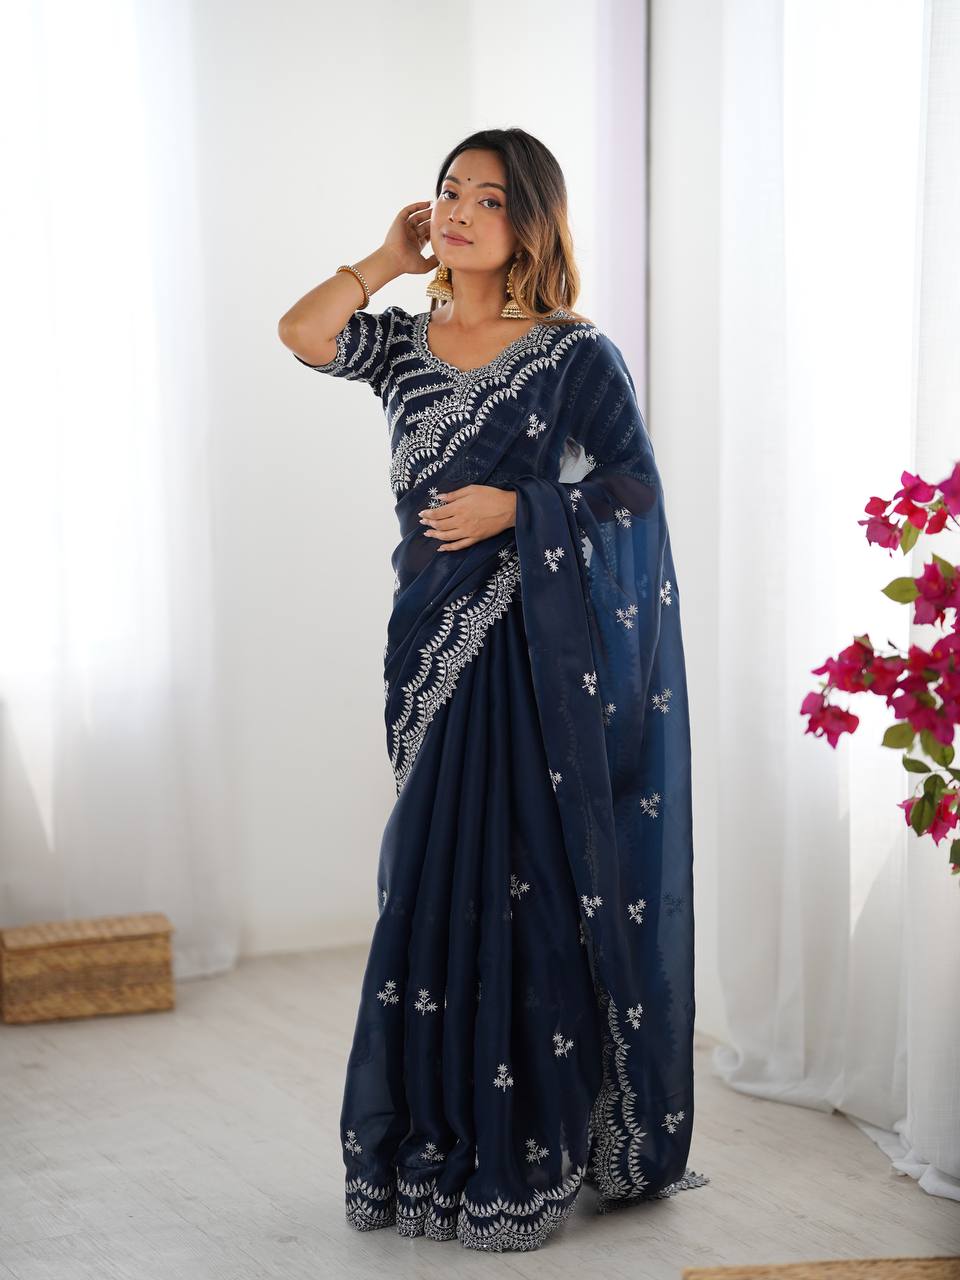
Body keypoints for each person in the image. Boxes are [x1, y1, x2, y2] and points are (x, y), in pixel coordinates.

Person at [278, 127, 709, 1254]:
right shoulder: (402, 343)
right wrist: (386, 257)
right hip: (430, 651)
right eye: (448, 193)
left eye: (488, 197)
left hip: (530, 658)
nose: (461, 211)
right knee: (429, 882)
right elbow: (302, 331)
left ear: (531, 222)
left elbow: (634, 489)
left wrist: (522, 510)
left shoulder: (573, 356)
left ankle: (529, 1142)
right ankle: (431, 1136)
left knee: (528, 888)